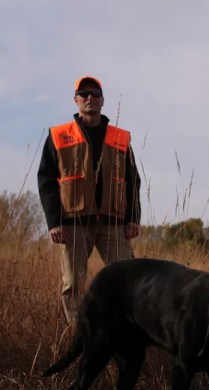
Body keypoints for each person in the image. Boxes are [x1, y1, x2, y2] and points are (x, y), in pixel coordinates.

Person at [37, 76, 141, 324]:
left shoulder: (120, 138)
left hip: (114, 223)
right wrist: (54, 222)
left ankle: (125, 333)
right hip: (73, 224)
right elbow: (46, 181)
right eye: (84, 94)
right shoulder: (58, 135)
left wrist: (133, 219)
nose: (90, 98)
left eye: (95, 94)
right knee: (72, 285)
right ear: (76, 100)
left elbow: (133, 182)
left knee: (130, 280)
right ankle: (77, 337)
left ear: (103, 100)